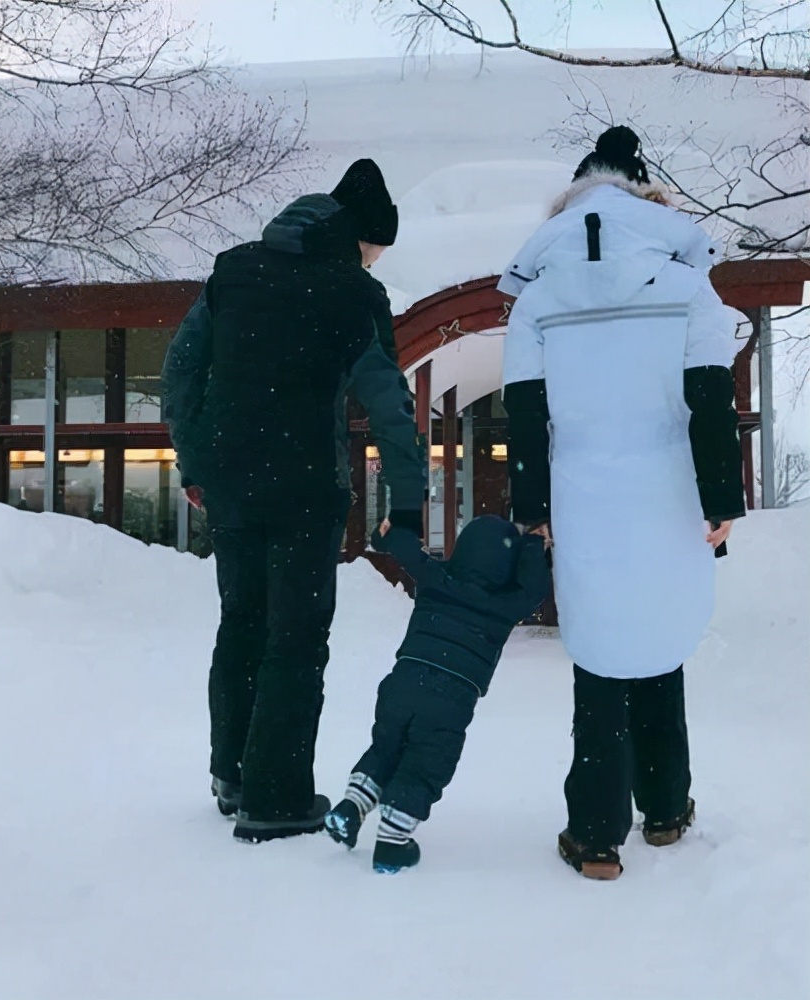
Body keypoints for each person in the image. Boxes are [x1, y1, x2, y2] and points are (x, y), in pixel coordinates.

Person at [500, 126, 746, 880]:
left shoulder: (538, 297)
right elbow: (711, 402)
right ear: (644, 195)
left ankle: (597, 832)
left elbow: (522, 409)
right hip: (668, 489)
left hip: (585, 494)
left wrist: (532, 506)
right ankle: (667, 810)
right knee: (660, 646)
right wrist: (720, 502)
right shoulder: (685, 287)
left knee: (600, 661)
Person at [162, 159, 427, 843]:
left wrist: (195, 461)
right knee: (296, 637)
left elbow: (183, 368)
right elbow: (390, 405)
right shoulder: (351, 291)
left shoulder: (234, 271)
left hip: (230, 479)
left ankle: (232, 774)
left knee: (241, 622)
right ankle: (275, 799)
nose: (374, 264)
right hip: (306, 483)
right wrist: (409, 502)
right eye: (376, 251)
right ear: (362, 238)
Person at [324, 515, 550, 873]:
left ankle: (351, 808)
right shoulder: (505, 604)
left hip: (403, 681)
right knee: (426, 763)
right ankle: (392, 844)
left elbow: (405, 551)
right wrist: (535, 544)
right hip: (451, 697)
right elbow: (534, 588)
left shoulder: (437, 578)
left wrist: (386, 534)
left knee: (386, 747)